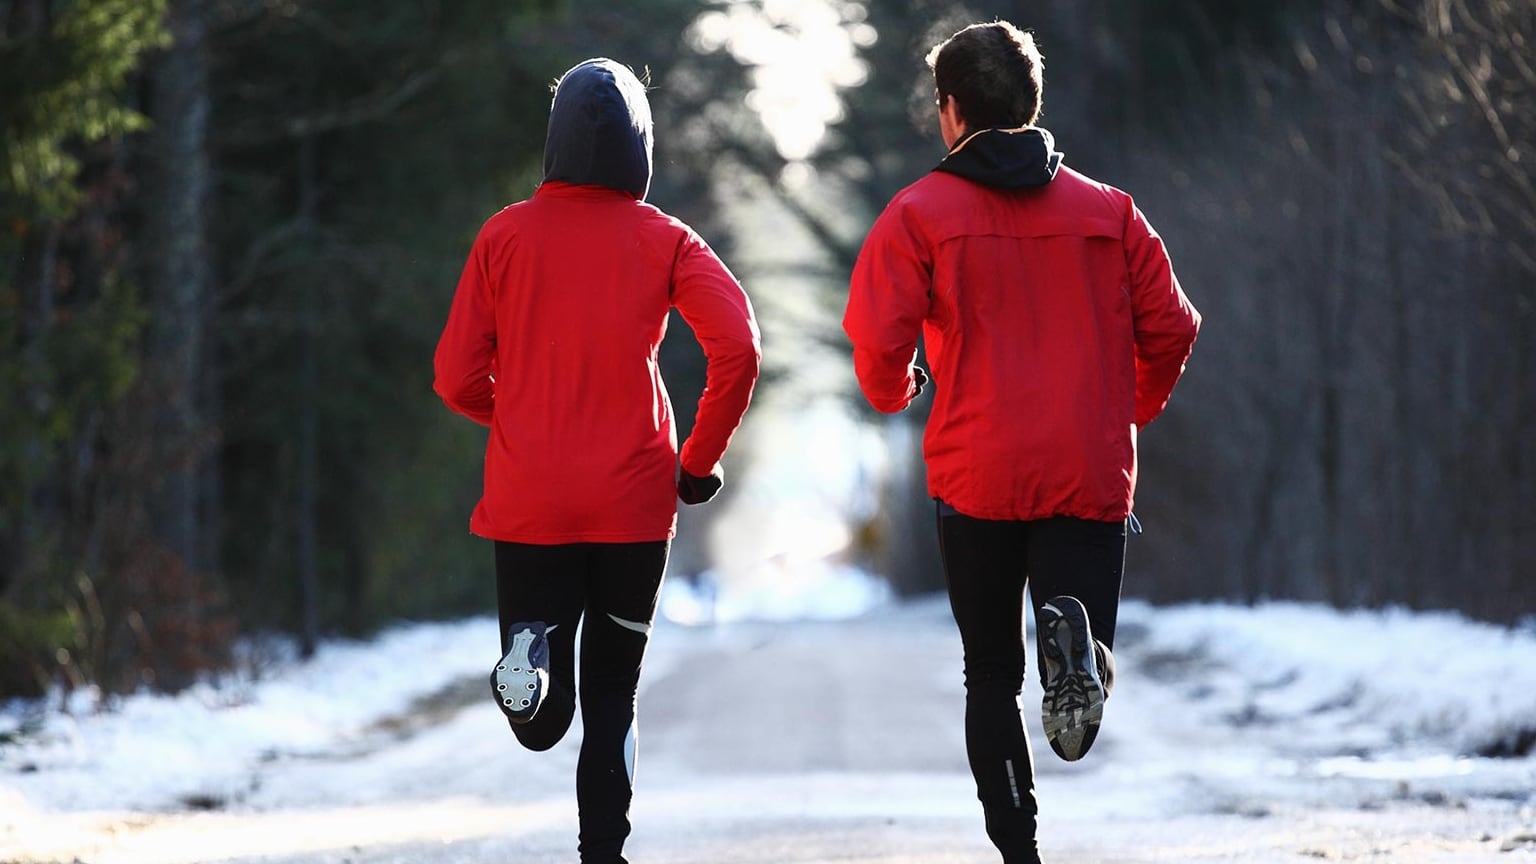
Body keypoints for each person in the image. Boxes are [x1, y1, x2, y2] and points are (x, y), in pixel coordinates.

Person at [842, 21, 1201, 864]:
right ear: (1031, 104)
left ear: (952, 111)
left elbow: (878, 344)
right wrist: (1126, 412)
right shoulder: (1112, 213)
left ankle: (1018, 847)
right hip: (1086, 465)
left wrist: (898, 392)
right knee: (1080, 653)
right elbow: (1174, 328)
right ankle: (1077, 641)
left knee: (989, 676)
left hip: (977, 474)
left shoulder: (918, 214)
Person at [432, 57, 760, 864]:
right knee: (614, 692)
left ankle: (532, 651)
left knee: (541, 724)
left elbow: (453, 377)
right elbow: (740, 350)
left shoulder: (502, 236)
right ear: (639, 148)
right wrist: (697, 459)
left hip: (529, 498)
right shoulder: (667, 241)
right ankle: (602, 855)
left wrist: (514, 417)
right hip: (632, 505)